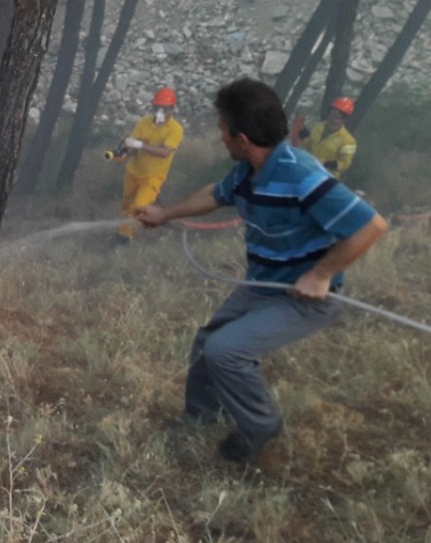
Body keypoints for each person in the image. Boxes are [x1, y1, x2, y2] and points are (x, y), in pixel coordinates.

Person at [135, 78, 387, 463]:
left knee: (225, 351)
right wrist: (165, 213)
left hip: (303, 299)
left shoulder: (299, 173)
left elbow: (371, 226)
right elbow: (213, 194)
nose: (219, 136)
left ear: (242, 138)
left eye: (222, 129)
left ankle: (260, 425)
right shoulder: (248, 172)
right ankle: (201, 417)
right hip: (261, 285)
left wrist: (320, 275)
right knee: (208, 341)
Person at [116, 87, 184, 240]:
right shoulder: (143, 123)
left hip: (153, 177)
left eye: (164, 108)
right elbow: (133, 148)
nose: (160, 111)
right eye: (157, 107)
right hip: (134, 171)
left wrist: (141, 145)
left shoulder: (175, 129)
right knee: (127, 204)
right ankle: (122, 232)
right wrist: (124, 154)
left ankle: (124, 238)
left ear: (172, 109)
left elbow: (165, 152)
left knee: (138, 207)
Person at [296, 96, 358, 179]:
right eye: (333, 111)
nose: (335, 116)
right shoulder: (318, 126)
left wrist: (328, 163)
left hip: (325, 178)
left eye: (340, 114)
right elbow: (308, 145)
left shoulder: (348, 141)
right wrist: (302, 133)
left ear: (345, 117)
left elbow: (345, 164)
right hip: (307, 170)